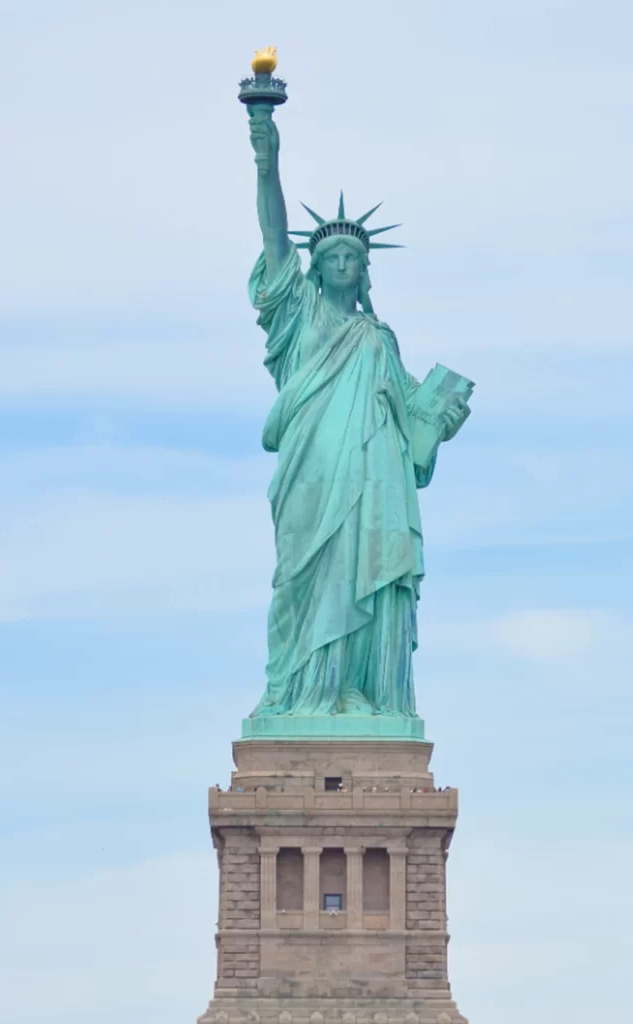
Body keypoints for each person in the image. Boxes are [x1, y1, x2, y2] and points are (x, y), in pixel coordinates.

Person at [246, 105, 468, 720]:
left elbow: (411, 434)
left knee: (360, 570)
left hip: (375, 484)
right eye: (332, 256)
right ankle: (301, 690)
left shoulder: (380, 340)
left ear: (365, 272)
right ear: (313, 270)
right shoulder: (299, 318)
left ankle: (355, 690)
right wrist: (267, 158)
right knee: (306, 576)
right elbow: (272, 235)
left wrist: (438, 424)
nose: (343, 262)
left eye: (354, 256)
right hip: (313, 473)